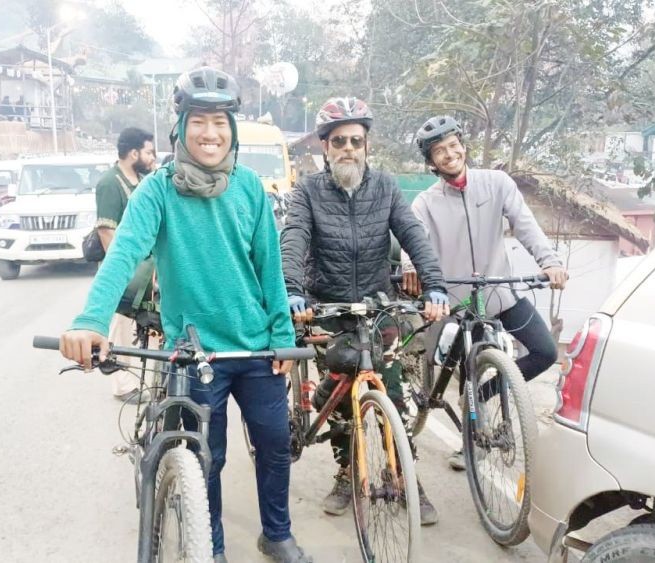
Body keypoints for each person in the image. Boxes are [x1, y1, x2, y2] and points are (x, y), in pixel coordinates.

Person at [59, 67, 312, 563]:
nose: (210, 133)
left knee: (275, 444)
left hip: (256, 348)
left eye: (219, 122)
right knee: (204, 457)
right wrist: (90, 321)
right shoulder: (157, 191)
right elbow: (122, 255)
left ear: (232, 129)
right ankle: (208, 545)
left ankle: (276, 533)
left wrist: (282, 335)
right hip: (195, 353)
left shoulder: (250, 188)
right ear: (180, 128)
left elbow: (271, 269)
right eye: (199, 121)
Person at [279, 97, 449, 526]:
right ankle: (346, 472)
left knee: (391, 392)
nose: (349, 148)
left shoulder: (385, 186)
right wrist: (292, 290)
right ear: (325, 147)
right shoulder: (308, 191)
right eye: (339, 141)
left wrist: (435, 285)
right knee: (340, 399)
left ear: (366, 145)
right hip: (328, 306)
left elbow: (412, 234)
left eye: (356, 140)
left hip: (376, 305)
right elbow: (294, 237)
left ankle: (403, 475)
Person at [401, 115, 568, 470]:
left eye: (453, 146)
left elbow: (526, 225)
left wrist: (550, 262)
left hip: (499, 293)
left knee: (545, 351)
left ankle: (485, 392)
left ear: (463, 146)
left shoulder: (497, 183)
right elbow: (413, 240)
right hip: (460, 303)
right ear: (431, 162)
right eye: (439, 151)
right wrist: (410, 266)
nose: (449, 154)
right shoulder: (425, 203)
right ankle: (471, 442)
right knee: (469, 369)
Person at [93, 126, 157, 403]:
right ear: (133, 153)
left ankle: (147, 380)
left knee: (144, 326)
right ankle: (123, 384)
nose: (152, 157)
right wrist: (123, 273)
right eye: (148, 152)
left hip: (147, 272)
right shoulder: (110, 183)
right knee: (122, 326)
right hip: (125, 272)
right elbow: (106, 232)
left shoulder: (142, 179)